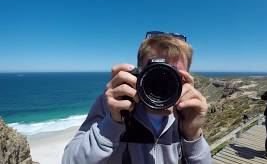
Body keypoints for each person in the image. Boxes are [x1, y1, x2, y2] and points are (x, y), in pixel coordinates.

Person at [62, 31, 212, 164]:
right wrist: (113, 122)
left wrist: (192, 133)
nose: (162, 83)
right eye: (155, 73)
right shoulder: (112, 104)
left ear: (187, 79)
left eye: (174, 74)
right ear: (138, 74)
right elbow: (70, 160)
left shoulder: (186, 112)